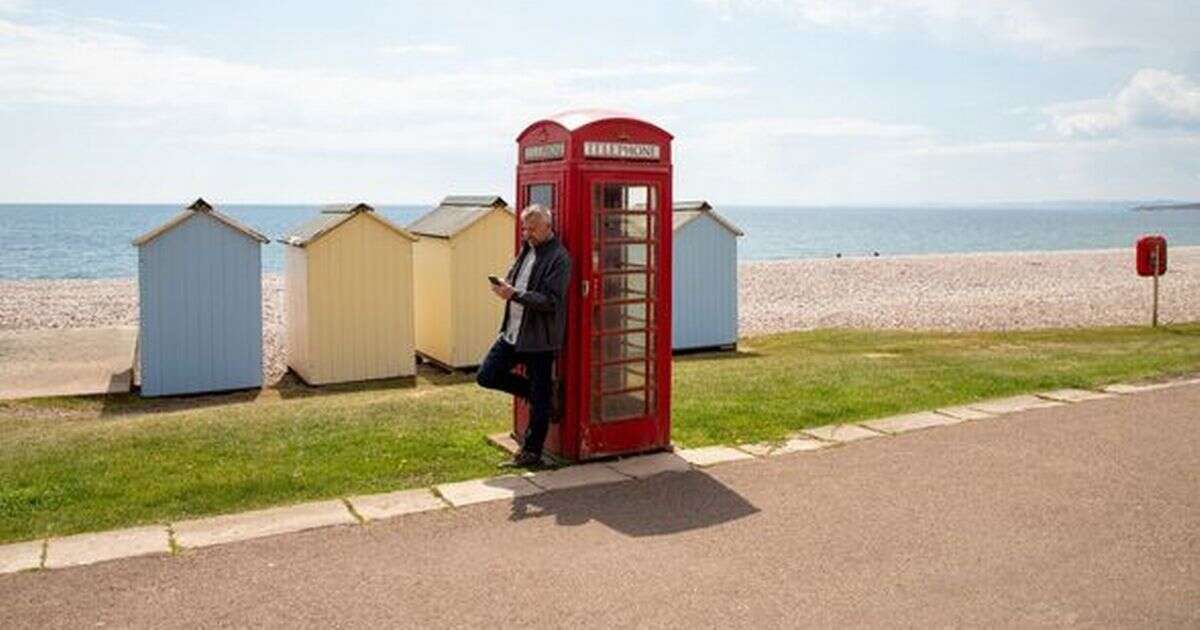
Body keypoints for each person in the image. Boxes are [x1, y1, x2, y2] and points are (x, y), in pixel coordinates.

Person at [476, 204, 571, 468]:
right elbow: (516, 280)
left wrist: (515, 294)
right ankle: (537, 392)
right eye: (524, 228)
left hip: (539, 338)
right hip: (512, 332)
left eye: (532, 229)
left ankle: (532, 452)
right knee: (486, 375)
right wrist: (506, 285)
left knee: (540, 402)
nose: (526, 233)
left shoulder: (559, 258)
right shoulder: (526, 250)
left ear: (548, 227)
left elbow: (552, 301)